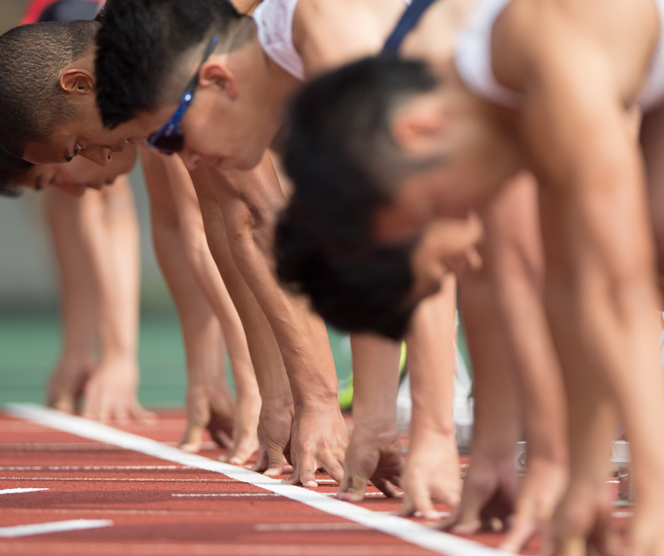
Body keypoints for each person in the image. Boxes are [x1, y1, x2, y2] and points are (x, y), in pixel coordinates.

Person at [272, 0, 664, 553]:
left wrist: (655, 499)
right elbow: (567, 288)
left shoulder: (545, 59)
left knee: (657, 234)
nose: (461, 256)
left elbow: (617, 292)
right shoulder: (507, 100)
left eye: (438, 217)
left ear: (417, 132)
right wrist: (578, 474)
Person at [94, 0, 470, 513]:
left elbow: (425, 232)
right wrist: (377, 419)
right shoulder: (293, 46)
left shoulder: (330, 35)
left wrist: (433, 432)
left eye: (172, 138)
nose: (188, 160)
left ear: (219, 79)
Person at [0, 8, 348, 482]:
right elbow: (219, 212)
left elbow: (255, 215)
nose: (98, 156)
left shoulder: (155, 47)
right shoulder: (131, 62)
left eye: (75, 147)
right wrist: (277, 398)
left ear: (78, 84)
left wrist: (315, 400)